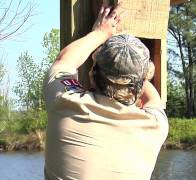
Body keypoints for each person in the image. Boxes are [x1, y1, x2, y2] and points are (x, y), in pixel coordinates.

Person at [43, 2, 168, 180]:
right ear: (142, 81)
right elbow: (152, 99)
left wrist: (100, 33)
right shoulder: (155, 126)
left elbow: (65, 62)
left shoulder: (65, 102)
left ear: (92, 75)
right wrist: (134, 70)